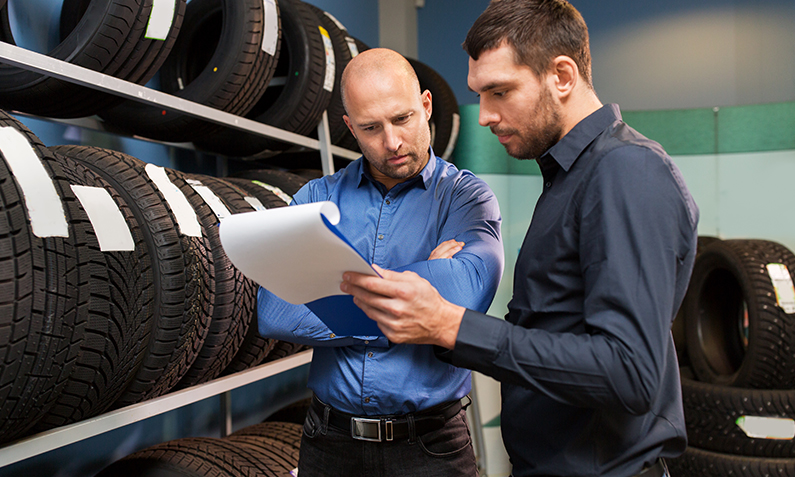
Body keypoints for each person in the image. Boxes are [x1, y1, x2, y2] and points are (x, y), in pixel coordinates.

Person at [340, 2, 699, 476]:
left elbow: (628, 372)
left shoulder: (625, 171)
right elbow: (552, 330)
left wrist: (450, 324)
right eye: (479, 94)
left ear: (563, 76)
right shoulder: (570, 176)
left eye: (500, 92)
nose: (485, 115)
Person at [256, 47, 504, 476]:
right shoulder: (316, 199)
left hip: (431, 446)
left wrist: (334, 292)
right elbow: (275, 311)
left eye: (402, 119)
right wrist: (419, 292)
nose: (391, 142)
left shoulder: (466, 198)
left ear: (426, 106)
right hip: (329, 443)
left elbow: (466, 294)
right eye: (371, 127)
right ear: (350, 127)